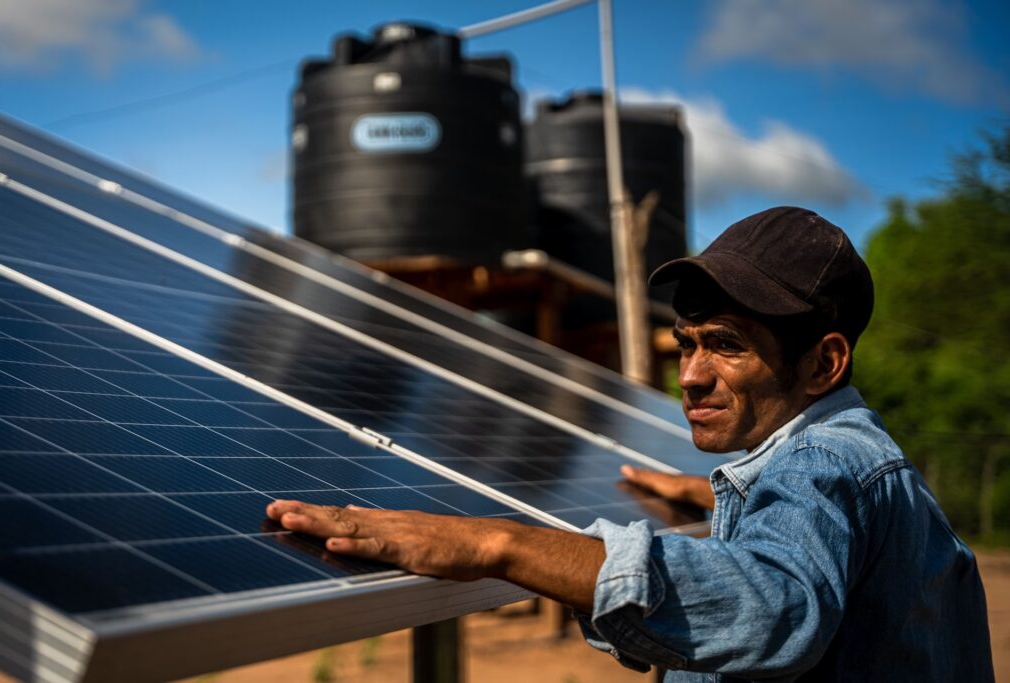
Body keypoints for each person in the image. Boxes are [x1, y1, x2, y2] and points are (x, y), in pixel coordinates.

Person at [267, 207, 994, 681]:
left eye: (726, 346)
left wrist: (500, 545)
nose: (691, 376)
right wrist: (719, 506)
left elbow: (776, 605)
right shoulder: (845, 457)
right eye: (685, 345)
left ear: (824, 363)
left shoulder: (821, 463)